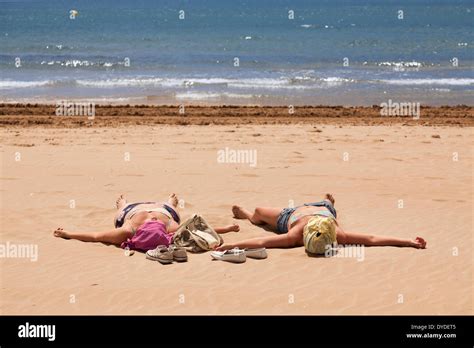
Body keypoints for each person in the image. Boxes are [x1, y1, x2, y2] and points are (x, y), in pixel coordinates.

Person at [216, 194, 427, 253]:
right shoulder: (336, 232)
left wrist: (232, 245)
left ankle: (247, 214)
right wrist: (407, 241)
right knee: (327, 202)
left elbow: (263, 240)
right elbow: (372, 239)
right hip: (324, 209)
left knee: (260, 212)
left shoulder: (295, 234)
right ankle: (329, 202)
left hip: (291, 215)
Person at [53, 194, 239, 248]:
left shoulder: (127, 231)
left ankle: (122, 203)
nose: (153, 223)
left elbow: (95, 236)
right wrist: (227, 229)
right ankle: (170, 202)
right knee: (173, 209)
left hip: (132, 209)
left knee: (120, 212)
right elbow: (201, 231)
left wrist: (68, 233)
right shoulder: (169, 227)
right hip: (163, 209)